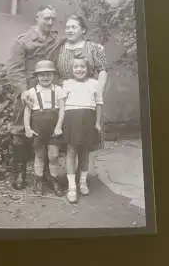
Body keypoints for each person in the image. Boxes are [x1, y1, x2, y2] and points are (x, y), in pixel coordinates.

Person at [7, 6, 61, 190]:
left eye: (53, 19)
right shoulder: (23, 41)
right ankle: (19, 172)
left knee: (48, 128)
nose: (50, 22)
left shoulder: (56, 40)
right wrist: (23, 91)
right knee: (20, 130)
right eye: (46, 18)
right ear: (37, 18)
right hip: (28, 91)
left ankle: (45, 172)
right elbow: (14, 69)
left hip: (48, 91)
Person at [56, 15, 108, 150]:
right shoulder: (59, 48)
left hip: (87, 96)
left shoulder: (93, 47)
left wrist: (99, 91)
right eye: (67, 27)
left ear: (83, 30)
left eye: (74, 27)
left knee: (87, 137)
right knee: (70, 139)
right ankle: (71, 170)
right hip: (67, 97)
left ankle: (86, 170)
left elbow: (102, 70)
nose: (69, 30)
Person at [62, 56, 103, 203]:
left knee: (85, 153)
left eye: (82, 67)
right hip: (71, 119)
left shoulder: (94, 83)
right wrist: (61, 122)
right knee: (71, 152)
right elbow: (62, 104)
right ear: (71, 69)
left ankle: (82, 182)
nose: (79, 69)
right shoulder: (67, 83)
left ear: (88, 69)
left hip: (88, 119)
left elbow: (98, 104)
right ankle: (72, 186)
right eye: (76, 67)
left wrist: (97, 122)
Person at [23, 60, 66, 196]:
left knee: (53, 156)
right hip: (38, 129)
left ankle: (54, 180)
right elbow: (27, 111)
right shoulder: (32, 92)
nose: (45, 78)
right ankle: (38, 181)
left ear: (53, 75)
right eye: (42, 75)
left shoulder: (58, 90)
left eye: (48, 74)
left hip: (54, 129)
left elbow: (62, 110)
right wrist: (27, 128)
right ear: (37, 77)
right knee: (39, 155)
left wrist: (59, 126)